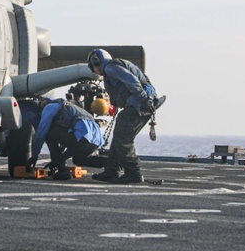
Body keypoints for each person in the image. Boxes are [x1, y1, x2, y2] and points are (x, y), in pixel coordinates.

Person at [87, 49, 166, 184]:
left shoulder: (110, 68)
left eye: (92, 66)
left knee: (123, 139)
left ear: (96, 62)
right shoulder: (112, 68)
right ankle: (111, 171)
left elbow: (131, 80)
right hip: (140, 105)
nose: (93, 70)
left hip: (138, 105)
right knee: (119, 137)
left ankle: (134, 173)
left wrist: (143, 99)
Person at [28, 97, 106, 180]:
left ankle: (62, 171)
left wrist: (34, 156)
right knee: (79, 160)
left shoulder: (50, 107)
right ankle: (109, 164)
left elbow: (41, 132)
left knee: (49, 133)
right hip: (95, 141)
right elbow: (75, 145)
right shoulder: (71, 109)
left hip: (82, 138)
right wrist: (58, 160)